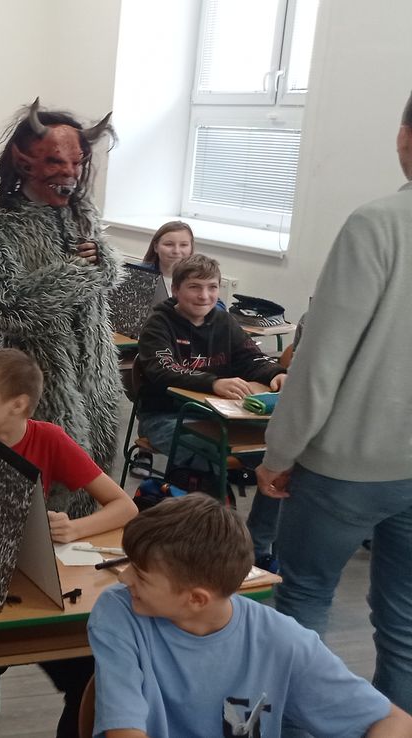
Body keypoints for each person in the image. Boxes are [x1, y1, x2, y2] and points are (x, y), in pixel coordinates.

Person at [258, 90, 412, 717]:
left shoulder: (378, 224)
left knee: (303, 603)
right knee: (405, 626)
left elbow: (320, 361)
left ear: (404, 137)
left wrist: (279, 452)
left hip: (347, 467)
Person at [0, 349, 136, 738]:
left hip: (33, 585)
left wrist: (74, 528)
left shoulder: (49, 438)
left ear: (18, 404)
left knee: (90, 678)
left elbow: (125, 507)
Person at [89, 494, 411, 738]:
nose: (124, 578)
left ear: (196, 599)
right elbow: (124, 729)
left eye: (140, 575)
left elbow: (394, 722)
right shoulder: (119, 612)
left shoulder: (282, 640)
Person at [0, 98, 123, 519]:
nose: (69, 173)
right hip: (38, 378)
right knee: (44, 485)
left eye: (76, 162)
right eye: (55, 161)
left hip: (97, 373)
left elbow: (108, 274)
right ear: (26, 162)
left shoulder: (82, 213)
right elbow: (4, 307)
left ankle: (85, 550)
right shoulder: (1, 225)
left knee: (96, 476)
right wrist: (77, 273)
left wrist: (103, 261)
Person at [135, 255, 286, 569]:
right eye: (194, 287)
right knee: (206, 454)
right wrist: (213, 382)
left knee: (280, 458)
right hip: (165, 417)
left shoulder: (223, 321)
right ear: (176, 290)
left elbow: (251, 358)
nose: (204, 296)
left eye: (212, 287)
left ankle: (257, 546)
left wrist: (274, 374)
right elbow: (162, 370)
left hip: (220, 416)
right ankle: (206, 548)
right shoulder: (158, 324)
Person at [141, 220, 195, 295]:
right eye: (169, 244)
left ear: (191, 248)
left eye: (183, 245)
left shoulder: (200, 278)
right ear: (156, 247)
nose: (176, 251)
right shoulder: (138, 274)